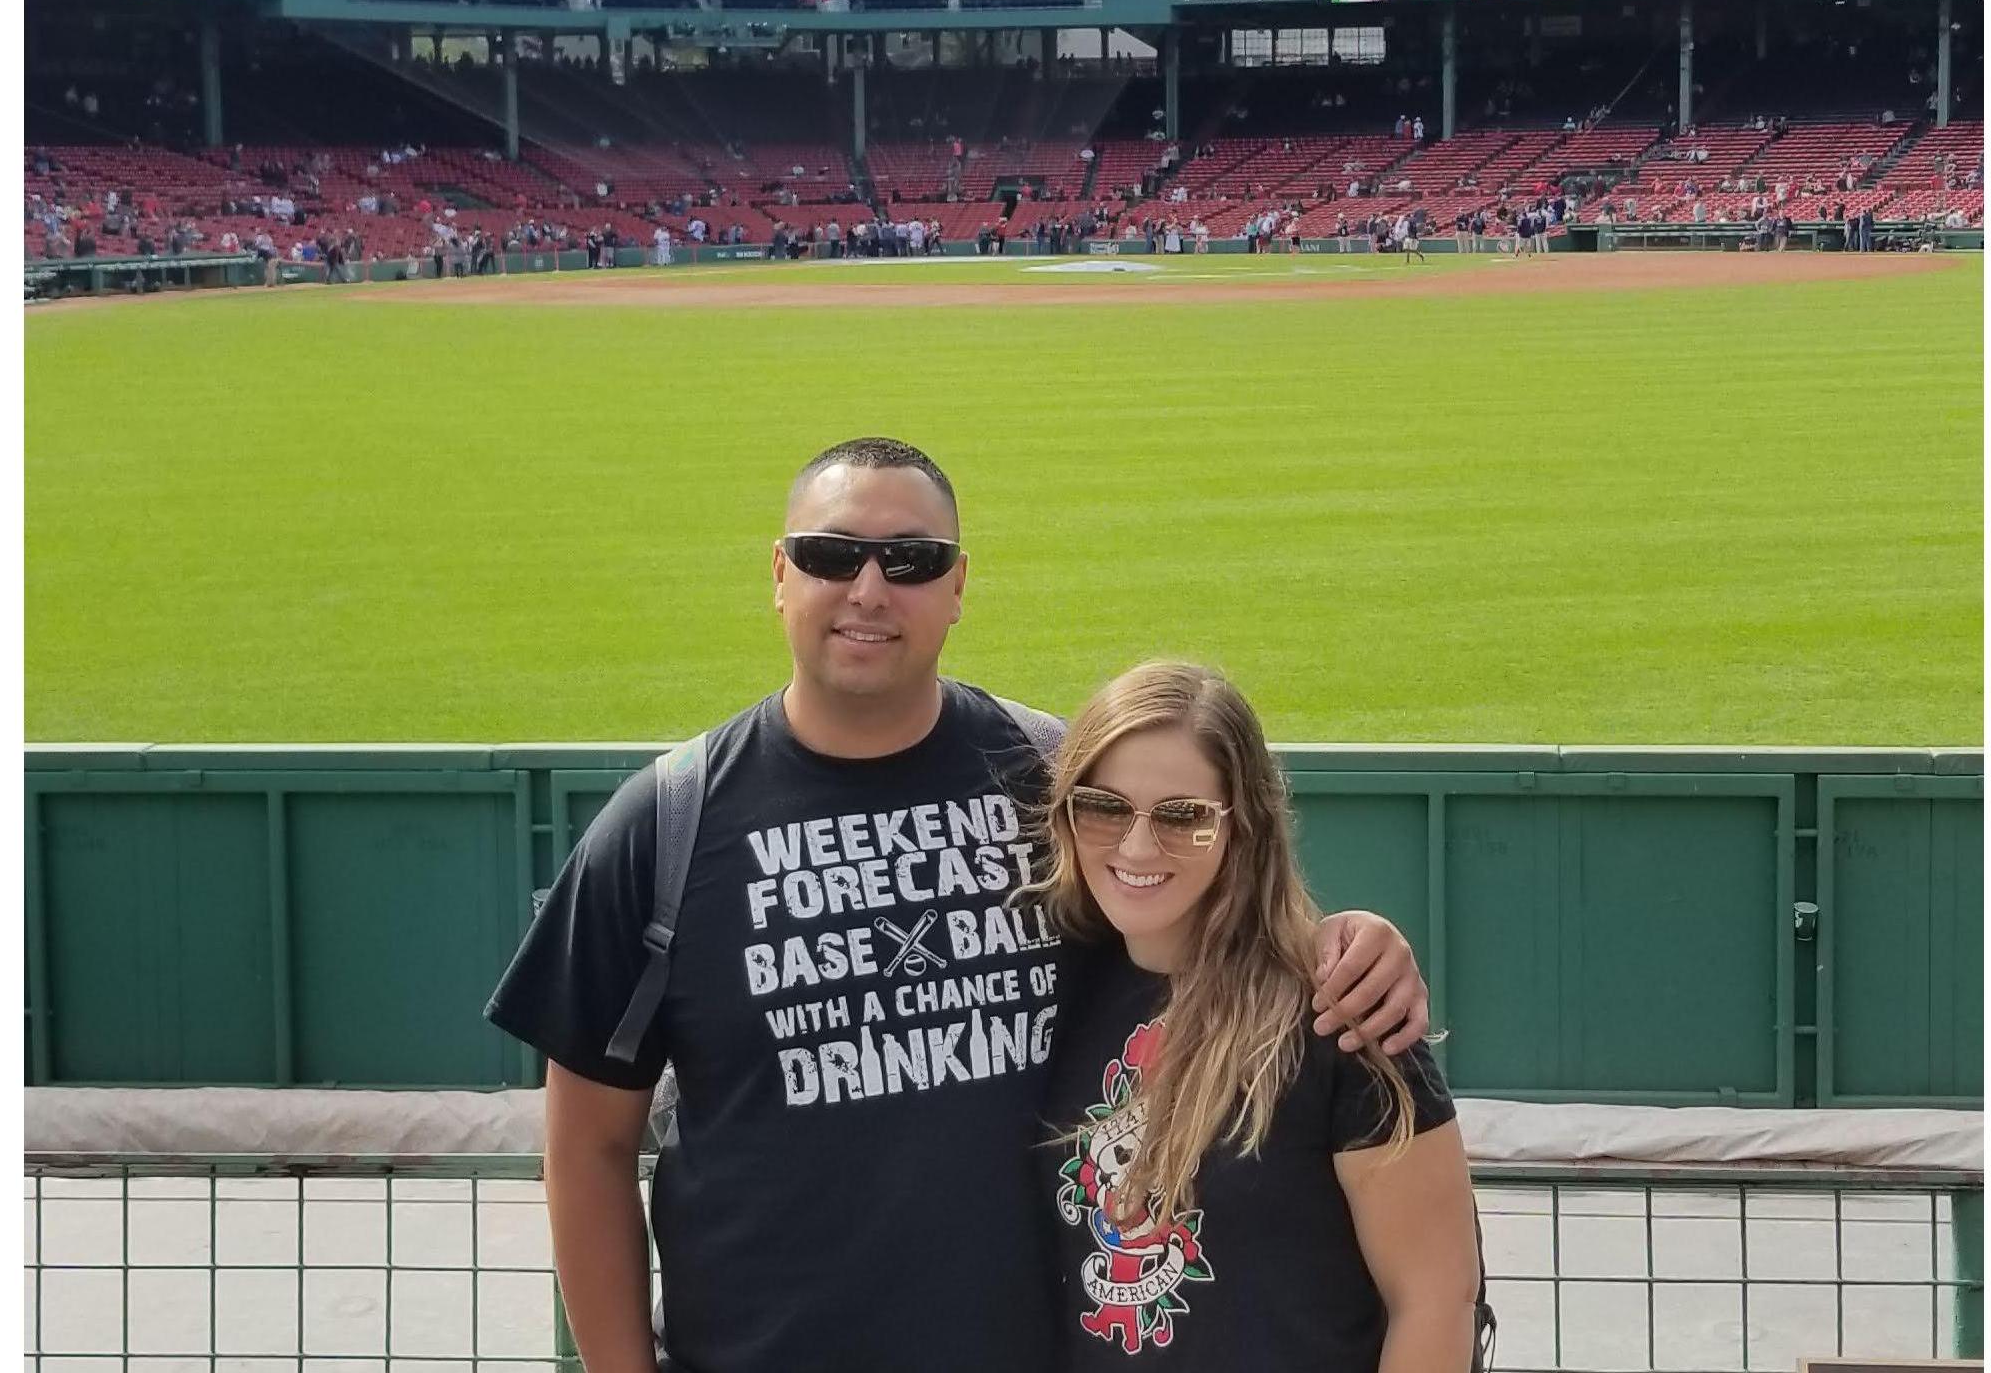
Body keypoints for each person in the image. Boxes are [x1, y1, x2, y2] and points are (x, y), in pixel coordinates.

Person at [486, 440, 1432, 1373]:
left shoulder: (1055, 782)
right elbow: (587, 1151)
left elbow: (1204, 906)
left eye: (911, 561)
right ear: (780, 574)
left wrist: (1347, 941)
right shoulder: (664, 827)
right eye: (830, 553)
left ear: (957, 586)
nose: (868, 590)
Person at [1036, 662, 1482, 1368]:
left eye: (1184, 817)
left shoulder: (1345, 1015)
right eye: (1104, 806)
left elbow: (1438, 1297)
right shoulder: (1051, 998)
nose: (1137, 846)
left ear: (1245, 826)